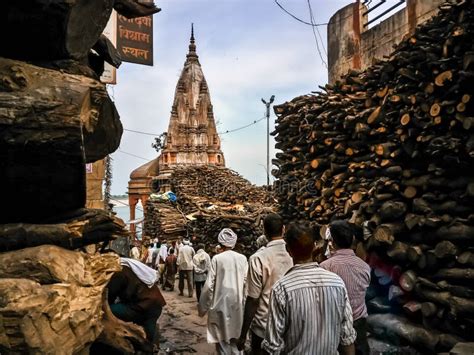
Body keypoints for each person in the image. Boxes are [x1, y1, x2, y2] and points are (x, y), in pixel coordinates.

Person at [262, 222, 356, 355]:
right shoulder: (337, 283)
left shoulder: (282, 288)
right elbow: (347, 338)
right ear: (314, 247)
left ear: (288, 250)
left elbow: (273, 345)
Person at [236, 213, 293, 354]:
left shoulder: (258, 258)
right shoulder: (294, 254)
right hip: (290, 325)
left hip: (263, 327)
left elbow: (253, 299)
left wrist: (243, 334)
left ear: (264, 232)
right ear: (283, 229)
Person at [321, 220, 371, 355]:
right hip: (359, 322)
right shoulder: (365, 267)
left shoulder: (325, 267)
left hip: (334, 324)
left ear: (332, 242)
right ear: (353, 240)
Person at [198, 228, 248, 355]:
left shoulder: (217, 259)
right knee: (237, 344)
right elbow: (246, 285)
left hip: (220, 308)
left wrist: (202, 308)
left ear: (220, 243)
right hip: (238, 307)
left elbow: (209, 286)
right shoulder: (243, 259)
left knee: (222, 345)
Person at [107, 257, 166, 342]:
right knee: (149, 330)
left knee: (109, 310)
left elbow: (110, 295)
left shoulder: (119, 271)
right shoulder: (130, 267)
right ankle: (150, 345)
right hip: (156, 304)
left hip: (142, 306)